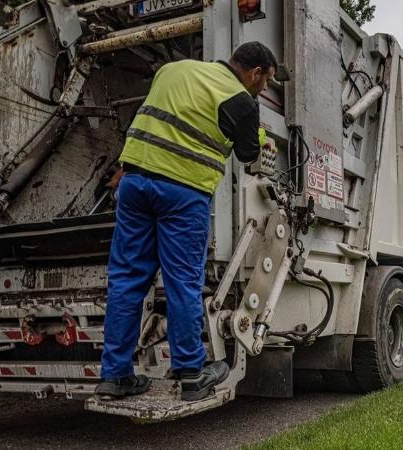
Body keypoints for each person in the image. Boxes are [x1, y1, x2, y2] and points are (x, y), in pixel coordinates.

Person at [96, 42, 277, 401]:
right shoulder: (241, 101)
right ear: (254, 73)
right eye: (267, 81)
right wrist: (262, 139)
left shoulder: (172, 69)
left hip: (134, 184)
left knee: (127, 281)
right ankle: (192, 373)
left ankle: (114, 376)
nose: (265, 88)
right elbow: (247, 154)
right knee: (182, 282)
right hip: (182, 193)